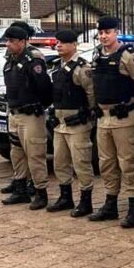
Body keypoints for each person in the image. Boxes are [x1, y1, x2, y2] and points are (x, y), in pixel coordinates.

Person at [89, 16, 134, 228]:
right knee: (106, 163)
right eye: (101, 33)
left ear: (117, 32)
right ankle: (110, 204)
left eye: (108, 32)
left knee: (127, 164)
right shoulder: (97, 55)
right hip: (104, 118)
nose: (104, 36)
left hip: (124, 117)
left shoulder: (128, 56)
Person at [0, 25, 52, 209]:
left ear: (22, 41)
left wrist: (38, 106)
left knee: (35, 155)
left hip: (31, 115)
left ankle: (40, 192)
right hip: (15, 114)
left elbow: (44, 88)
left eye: (12, 41)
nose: (8, 44)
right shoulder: (11, 61)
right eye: (7, 41)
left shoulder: (33, 60)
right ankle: (20, 188)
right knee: (17, 153)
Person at [46, 29, 96, 217]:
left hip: (77, 124)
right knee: (60, 162)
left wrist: (87, 115)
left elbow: (91, 95)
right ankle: (65, 197)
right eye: (57, 42)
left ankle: (86, 201)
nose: (59, 45)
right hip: (60, 124)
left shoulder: (82, 68)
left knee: (81, 163)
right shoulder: (58, 66)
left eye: (63, 43)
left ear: (74, 45)